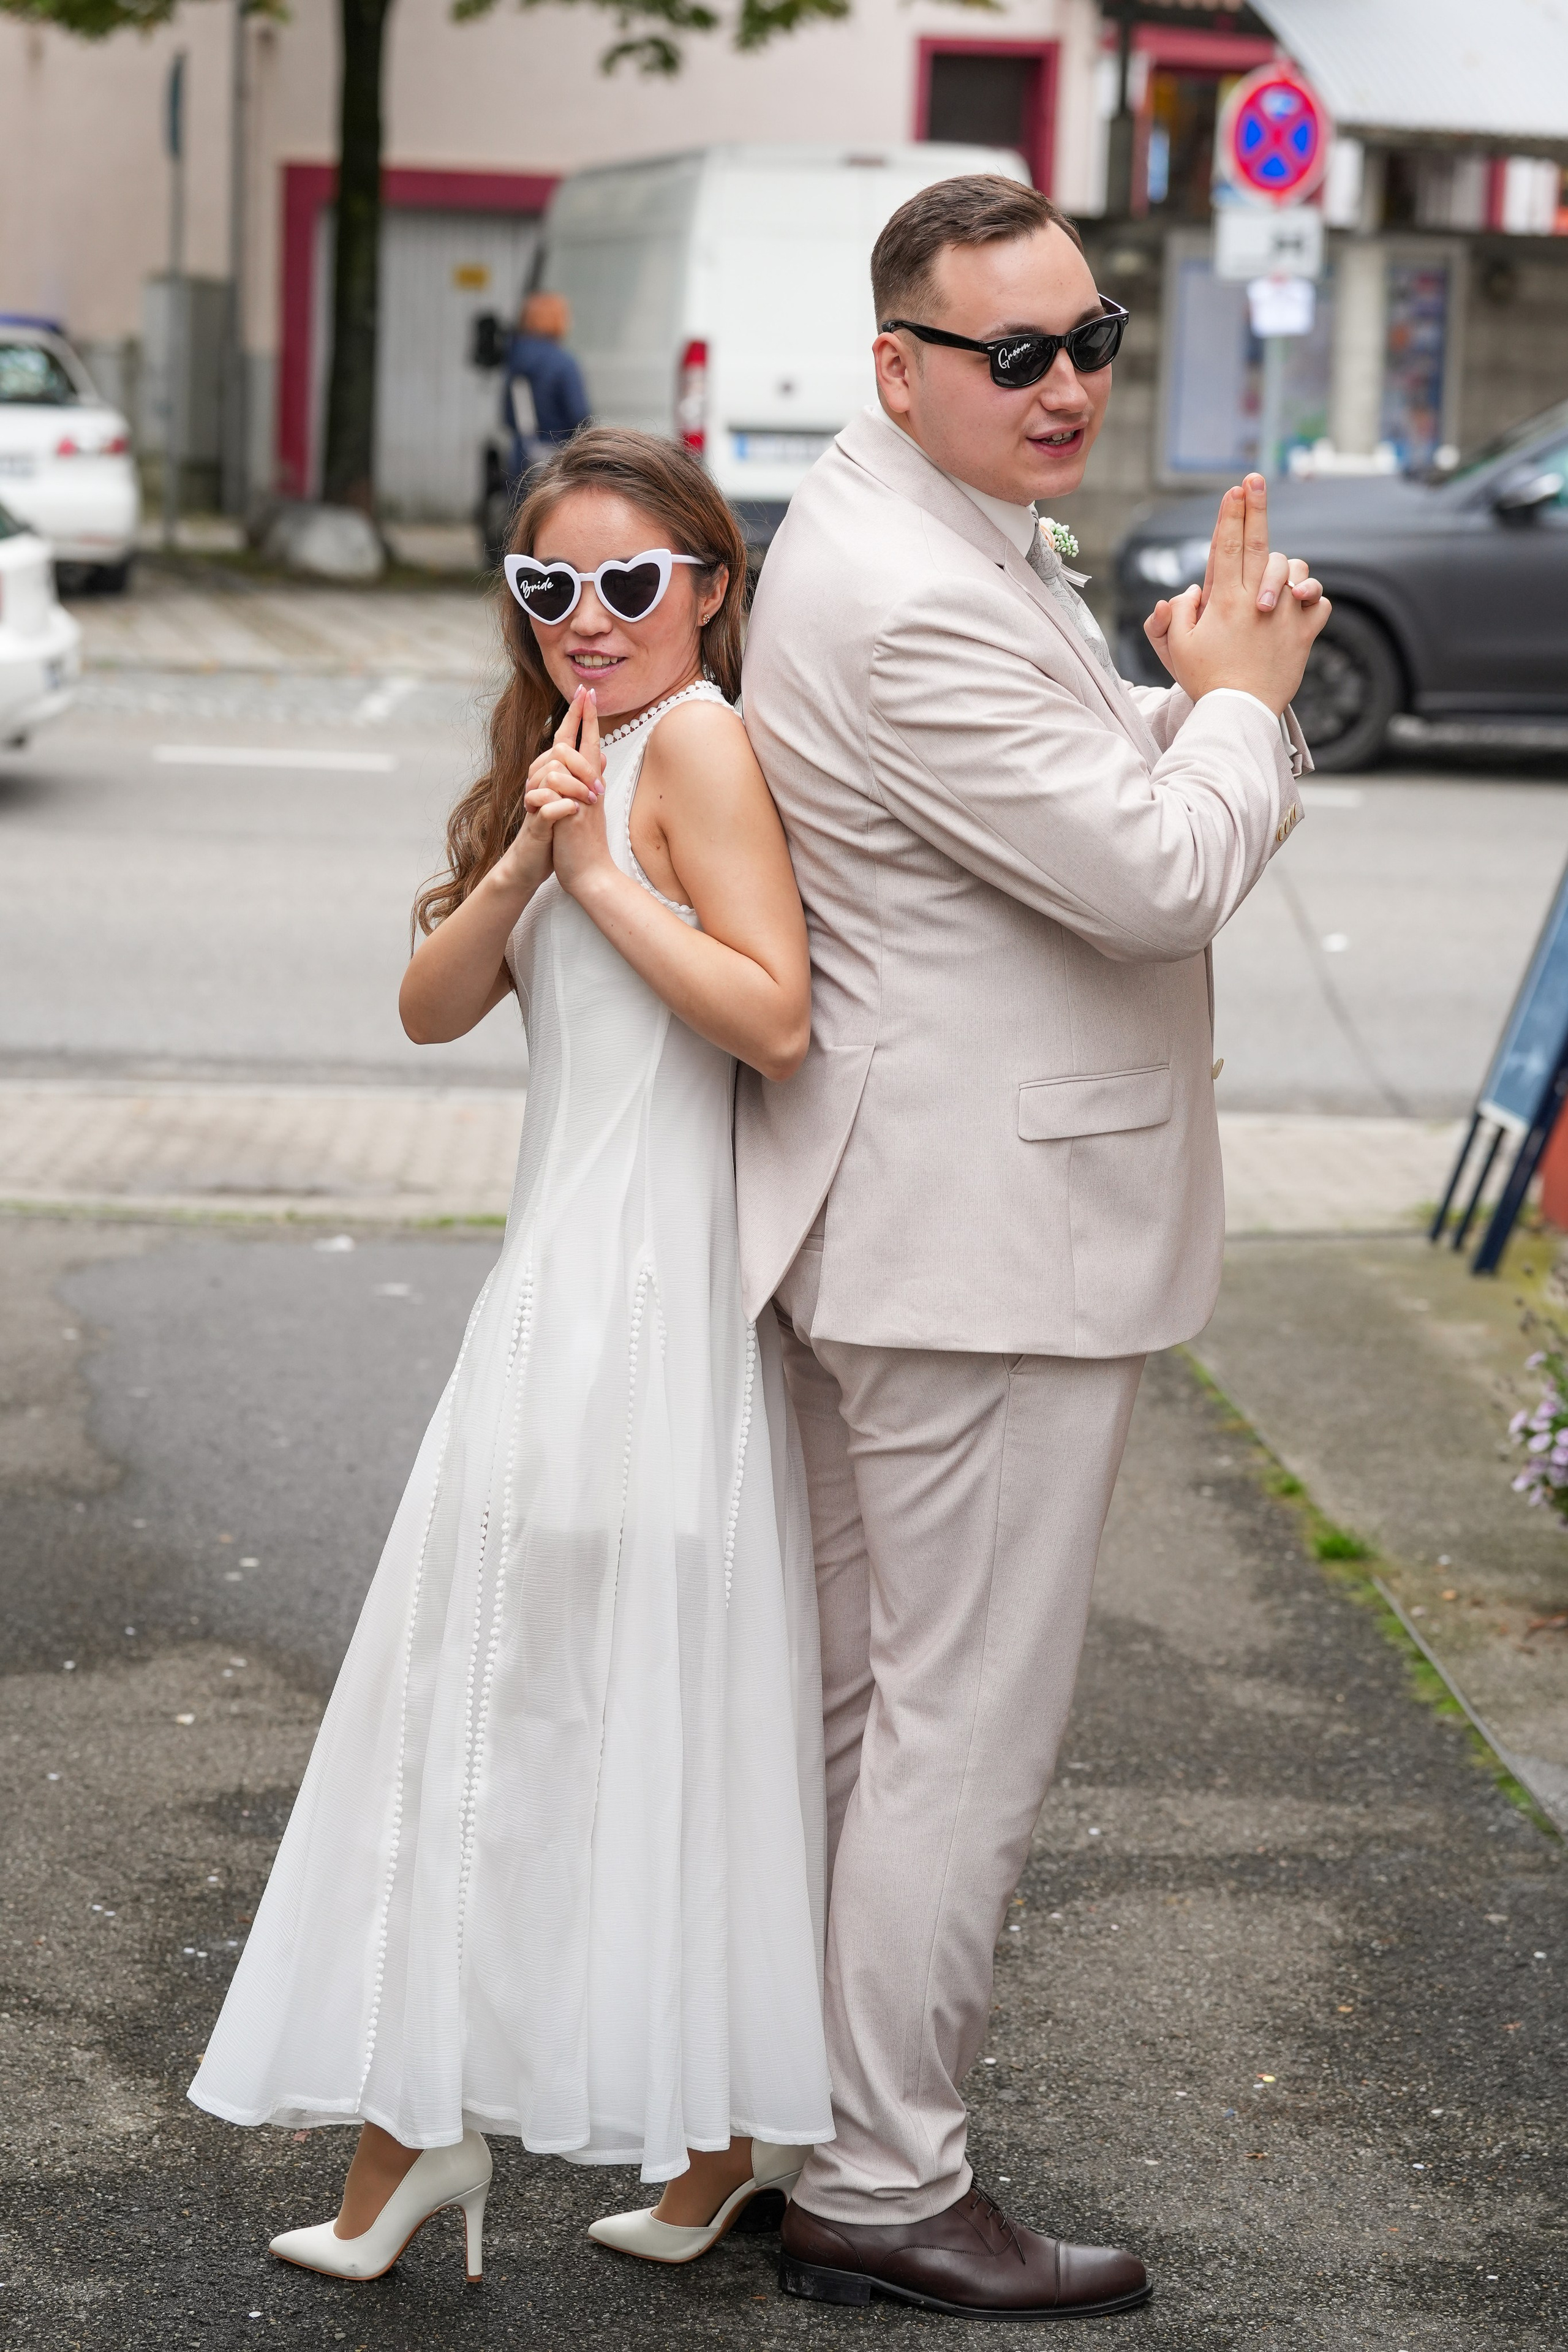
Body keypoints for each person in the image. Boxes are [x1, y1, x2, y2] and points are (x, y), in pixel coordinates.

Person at [737, 175, 1327, 2321]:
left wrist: (1176, 701)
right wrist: (1249, 701)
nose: (1068, 384)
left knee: (864, 1717)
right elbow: (1153, 881)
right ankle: (885, 2183)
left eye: (1089, 340)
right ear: (901, 367)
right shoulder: (907, 588)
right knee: (953, 1735)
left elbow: (1061, 837)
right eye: (1018, 354)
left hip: (912, 1212)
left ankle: (800, 2119)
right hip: (982, 1240)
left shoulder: (911, 528)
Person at [188, 428, 834, 2285]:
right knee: (601, 1707)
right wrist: (535, 854)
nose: (590, 619)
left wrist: (604, 873)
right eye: (551, 586)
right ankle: (706, 2138)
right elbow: (428, 1005)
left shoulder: (694, 738)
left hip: (635, 1297)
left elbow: (773, 1013)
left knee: (499, 1715)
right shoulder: (571, 755)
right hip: (567, 1287)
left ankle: (431, 2144)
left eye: (631, 582)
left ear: (707, 582)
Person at [503, 291, 590, 481]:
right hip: (558, 461)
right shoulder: (563, 362)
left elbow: (508, 417)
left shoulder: (514, 360)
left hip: (522, 456)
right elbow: (579, 417)